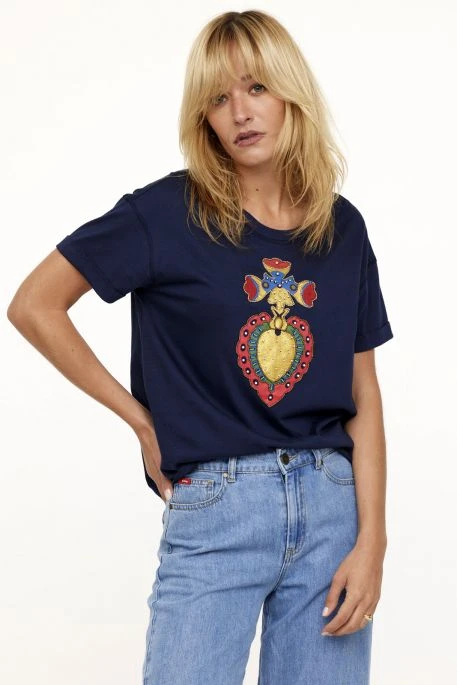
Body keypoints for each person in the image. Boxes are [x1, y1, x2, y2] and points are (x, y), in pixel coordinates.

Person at [7, 9, 394, 685]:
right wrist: (140, 420)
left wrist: (373, 541)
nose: (239, 112)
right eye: (218, 98)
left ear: (290, 93)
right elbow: (34, 305)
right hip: (218, 506)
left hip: (332, 509)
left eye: (256, 87)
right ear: (203, 117)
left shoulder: (341, 227)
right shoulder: (165, 213)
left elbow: (363, 391)